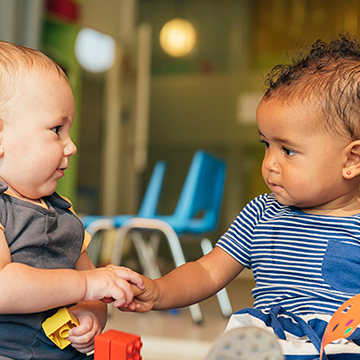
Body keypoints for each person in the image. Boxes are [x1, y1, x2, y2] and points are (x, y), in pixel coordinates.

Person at [127, 33, 360, 359]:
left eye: (288, 151)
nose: (269, 164)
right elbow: (207, 272)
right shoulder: (262, 213)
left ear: (351, 161)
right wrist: (160, 290)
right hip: (263, 347)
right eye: (267, 145)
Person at [0, 41, 144, 360]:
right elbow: (3, 287)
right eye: (56, 130)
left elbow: (90, 284)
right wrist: (85, 285)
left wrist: (91, 314)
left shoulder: (63, 212)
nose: (71, 146)